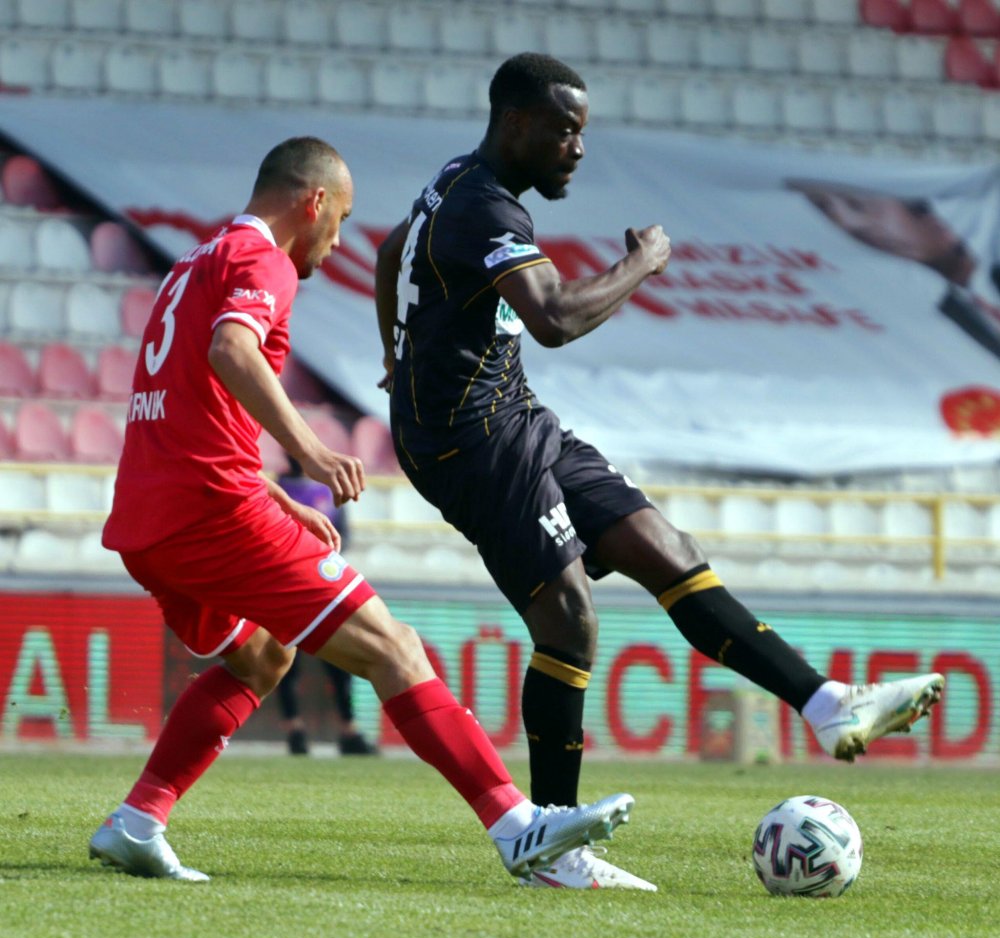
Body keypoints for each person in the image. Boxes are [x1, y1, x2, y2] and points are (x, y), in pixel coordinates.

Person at [374, 54, 946, 891]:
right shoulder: (484, 208)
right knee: (568, 617)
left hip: (513, 416)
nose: (577, 148)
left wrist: (395, 352)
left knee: (663, 544)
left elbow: (392, 249)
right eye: (566, 130)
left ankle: (828, 706)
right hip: (467, 444)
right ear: (518, 123)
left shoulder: (458, 184)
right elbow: (557, 318)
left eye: (584, 132)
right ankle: (554, 852)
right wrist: (643, 261)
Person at [90, 135, 636, 884]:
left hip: (151, 515)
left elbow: (193, 406)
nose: (337, 242)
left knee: (263, 653)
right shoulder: (263, 261)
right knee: (394, 647)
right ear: (312, 202)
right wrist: (310, 454)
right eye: (339, 220)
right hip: (212, 510)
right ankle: (518, 826)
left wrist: (277, 493)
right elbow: (231, 354)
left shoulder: (196, 261)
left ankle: (139, 816)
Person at [786, 177, 1000, 361]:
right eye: (824, 209)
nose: (848, 224)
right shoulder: (950, 307)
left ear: (931, 217)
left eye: (856, 205)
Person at [274, 455, 377, 756]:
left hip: (322, 582)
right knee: (284, 662)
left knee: (338, 661)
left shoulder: (324, 490)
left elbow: (343, 534)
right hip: (286, 584)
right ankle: (296, 731)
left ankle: (346, 730)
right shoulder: (279, 488)